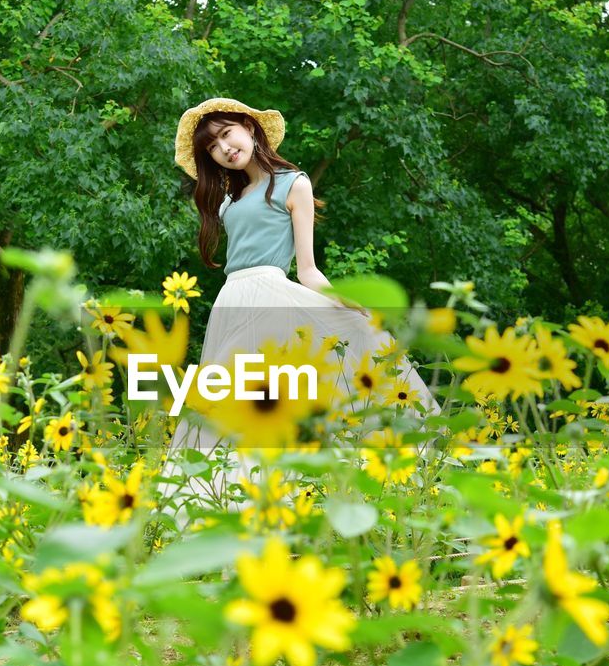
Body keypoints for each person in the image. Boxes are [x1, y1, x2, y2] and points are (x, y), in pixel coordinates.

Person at [155, 97, 440, 526]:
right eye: (212, 146)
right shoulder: (230, 201)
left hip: (271, 300)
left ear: (250, 129)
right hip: (231, 303)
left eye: (228, 133)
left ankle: (269, 509)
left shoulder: (293, 183)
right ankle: (208, 511)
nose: (225, 147)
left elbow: (307, 271)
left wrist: (352, 309)